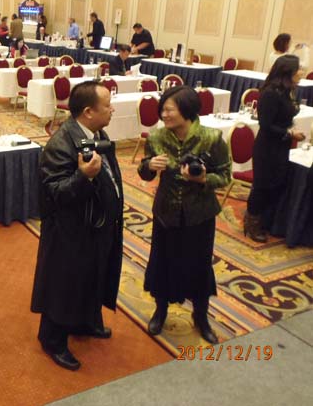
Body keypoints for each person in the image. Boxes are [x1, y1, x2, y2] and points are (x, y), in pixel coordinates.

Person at [31, 81, 123, 371]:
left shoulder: (95, 132)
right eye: (107, 105)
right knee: (64, 284)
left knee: (91, 275)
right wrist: (84, 177)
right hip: (68, 231)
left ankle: (85, 321)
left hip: (94, 225)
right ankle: (52, 340)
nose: (112, 109)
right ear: (88, 112)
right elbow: (56, 193)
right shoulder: (60, 144)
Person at [137, 85, 231, 345]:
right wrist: (148, 166)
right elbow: (145, 172)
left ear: (187, 110)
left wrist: (202, 179)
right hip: (166, 212)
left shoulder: (211, 138)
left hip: (199, 214)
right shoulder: (157, 138)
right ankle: (161, 310)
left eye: (169, 110)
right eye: (163, 110)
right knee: (162, 261)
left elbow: (225, 175)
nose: (164, 115)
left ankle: (201, 316)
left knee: (199, 265)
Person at [245, 55, 306, 242]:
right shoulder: (271, 93)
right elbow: (265, 124)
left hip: (281, 145)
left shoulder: (288, 91)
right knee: (262, 186)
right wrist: (289, 133)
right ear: (288, 71)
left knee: (277, 183)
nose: (302, 72)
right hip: (267, 147)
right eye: (299, 69)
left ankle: (266, 220)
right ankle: (251, 222)